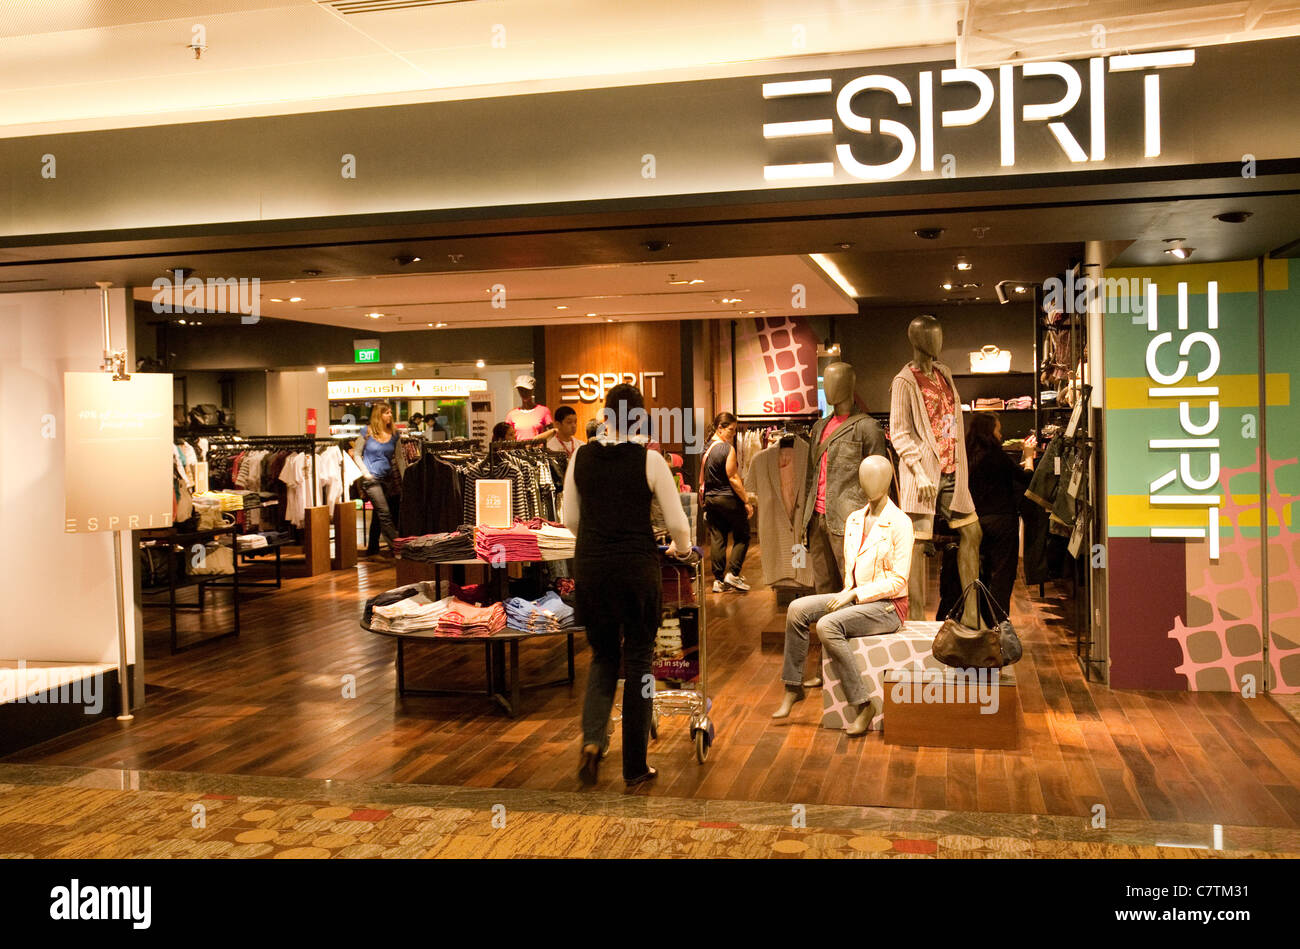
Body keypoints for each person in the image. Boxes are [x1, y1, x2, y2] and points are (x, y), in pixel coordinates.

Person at [563, 384, 692, 789]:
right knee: (638, 662)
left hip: (592, 571)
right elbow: (678, 525)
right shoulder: (650, 461)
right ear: (638, 419)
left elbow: (569, 519)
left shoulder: (580, 456)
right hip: (636, 571)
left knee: (603, 657)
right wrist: (682, 550)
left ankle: (591, 742)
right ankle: (635, 766)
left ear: (604, 418)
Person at [773, 456, 913, 736]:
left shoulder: (900, 522)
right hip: (855, 597)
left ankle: (863, 704)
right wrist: (849, 592)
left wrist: (855, 595)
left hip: (887, 606)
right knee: (797, 609)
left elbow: (899, 580)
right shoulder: (854, 519)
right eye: (865, 477)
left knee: (828, 625)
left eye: (877, 477)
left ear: (887, 481)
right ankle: (793, 686)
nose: (870, 483)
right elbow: (852, 566)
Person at [965, 412, 1035, 619]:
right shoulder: (997, 456)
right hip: (1002, 520)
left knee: (982, 571)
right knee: (1003, 573)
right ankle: (998, 621)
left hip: (975, 520)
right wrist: (1029, 458)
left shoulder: (968, 457)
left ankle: (979, 618)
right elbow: (1024, 479)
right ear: (989, 432)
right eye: (997, 429)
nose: (1001, 434)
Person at [701, 412, 753, 593]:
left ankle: (718, 580)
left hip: (711, 499)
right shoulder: (726, 448)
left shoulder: (706, 447)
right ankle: (733, 574)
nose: (732, 433)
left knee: (718, 537)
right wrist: (746, 501)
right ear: (720, 428)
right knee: (743, 534)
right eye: (730, 430)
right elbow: (733, 477)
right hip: (728, 498)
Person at [357, 402, 401, 556]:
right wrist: (365, 473)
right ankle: (396, 548)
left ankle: (372, 548)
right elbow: (355, 453)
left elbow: (399, 457)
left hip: (388, 479)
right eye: (386, 412)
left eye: (390, 412)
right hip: (371, 479)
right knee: (384, 513)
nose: (390, 415)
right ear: (379, 415)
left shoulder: (394, 434)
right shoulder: (367, 432)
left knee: (379, 513)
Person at [505, 374, 554, 442]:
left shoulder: (543, 411)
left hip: (538, 451)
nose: (524, 393)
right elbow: (507, 436)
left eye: (527, 390)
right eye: (521, 390)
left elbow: (552, 433)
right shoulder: (511, 415)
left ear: (533, 390)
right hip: (518, 450)